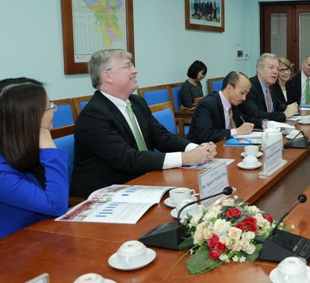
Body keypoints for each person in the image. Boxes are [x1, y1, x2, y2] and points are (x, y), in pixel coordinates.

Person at [72, 50, 215, 198]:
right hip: (107, 194)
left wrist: (197, 149)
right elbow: (128, 159)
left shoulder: (137, 102)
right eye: (127, 66)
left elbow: (162, 137)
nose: (135, 70)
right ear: (107, 76)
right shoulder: (93, 115)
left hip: (144, 181)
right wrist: (186, 158)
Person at [0, 78, 69, 245]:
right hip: (4, 251)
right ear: (27, 118)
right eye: (48, 106)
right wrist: (50, 148)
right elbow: (57, 206)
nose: (54, 110)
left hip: (40, 236)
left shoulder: (22, 149)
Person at [187, 71, 265, 144]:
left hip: (224, 146)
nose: (244, 98)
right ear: (229, 88)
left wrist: (263, 123)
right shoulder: (207, 104)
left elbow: (243, 119)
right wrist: (236, 131)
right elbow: (204, 134)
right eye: (242, 93)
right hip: (201, 149)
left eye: (246, 94)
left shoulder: (232, 103)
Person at [238, 53, 298, 121]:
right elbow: (255, 114)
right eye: (271, 67)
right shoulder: (250, 87)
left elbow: (278, 105)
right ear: (260, 70)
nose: (275, 72)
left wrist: (290, 108)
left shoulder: (271, 86)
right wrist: (284, 114)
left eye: (277, 68)